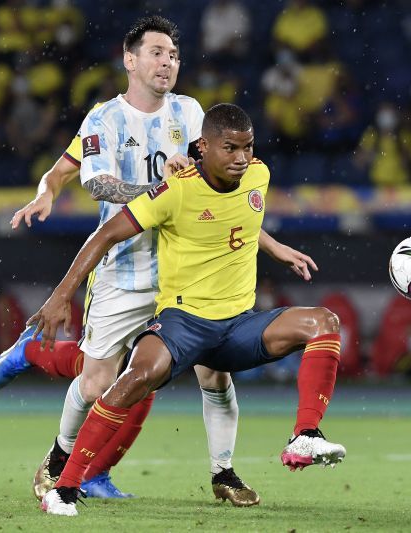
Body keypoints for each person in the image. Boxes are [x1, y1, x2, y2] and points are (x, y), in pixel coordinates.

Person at [0, 16, 316, 507]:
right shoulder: (105, 119)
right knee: (100, 380)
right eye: (157, 52)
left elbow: (218, 199)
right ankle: (57, 452)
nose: (167, 62)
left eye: (174, 55)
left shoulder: (190, 113)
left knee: (209, 373)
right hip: (125, 271)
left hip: (184, 273)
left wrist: (270, 245)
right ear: (130, 59)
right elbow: (92, 182)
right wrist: (149, 193)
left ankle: (219, 472)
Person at [36, 103, 346, 516]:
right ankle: (64, 488)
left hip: (238, 326)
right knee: (134, 379)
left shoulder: (260, 175)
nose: (241, 158)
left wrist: (274, 248)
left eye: (248, 147)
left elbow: (238, 221)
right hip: (184, 323)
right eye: (230, 148)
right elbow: (106, 234)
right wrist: (60, 295)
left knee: (324, 322)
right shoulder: (175, 190)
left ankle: (304, 434)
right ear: (203, 147)